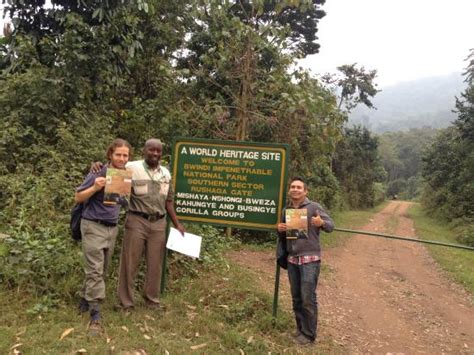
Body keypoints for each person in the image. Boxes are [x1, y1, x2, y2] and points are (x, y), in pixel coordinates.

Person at [115, 138, 185, 310]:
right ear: (144, 151)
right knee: (130, 263)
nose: (155, 153)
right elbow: (112, 172)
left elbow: (168, 202)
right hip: (136, 220)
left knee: (155, 264)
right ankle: (126, 303)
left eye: (158, 151)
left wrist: (177, 224)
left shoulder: (165, 174)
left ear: (161, 153)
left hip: (159, 224)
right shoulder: (131, 167)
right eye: (151, 150)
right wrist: (97, 166)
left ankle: (152, 301)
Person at [75, 138, 132, 335]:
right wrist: (94, 188)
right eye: (118, 154)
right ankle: (95, 317)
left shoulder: (124, 173)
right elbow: (78, 196)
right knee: (95, 271)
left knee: (102, 269)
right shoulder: (98, 172)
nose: (122, 158)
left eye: (125, 155)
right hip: (93, 226)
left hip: (111, 229)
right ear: (110, 155)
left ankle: (84, 299)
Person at [277, 176, 334, 346]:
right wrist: (280, 229)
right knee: (296, 298)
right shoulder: (286, 211)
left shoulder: (314, 207)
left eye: (299, 187)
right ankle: (300, 330)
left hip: (310, 259)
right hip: (293, 259)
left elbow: (331, 226)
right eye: (293, 187)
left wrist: (321, 222)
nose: (295, 189)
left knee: (308, 297)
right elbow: (285, 237)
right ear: (289, 190)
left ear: (305, 191)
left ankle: (309, 335)